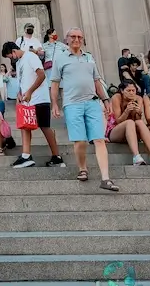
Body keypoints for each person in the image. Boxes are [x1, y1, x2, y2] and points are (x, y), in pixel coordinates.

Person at [50, 28, 119, 191]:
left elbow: (96, 81)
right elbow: (54, 83)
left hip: (92, 102)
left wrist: (106, 99)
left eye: (79, 37)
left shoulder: (89, 58)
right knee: (80, 141)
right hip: (72, 103)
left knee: (99, 139)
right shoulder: (60, 59)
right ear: (66, 39)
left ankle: (105, 178)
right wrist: (54, 103)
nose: (76, 39)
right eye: (73, 36)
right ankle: (82, 168)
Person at [3, 41, 64, 168]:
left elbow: (41, 75)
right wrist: (20, 94)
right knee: (25, 126)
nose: (11, 60)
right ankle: (26, 155)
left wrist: (30, 91)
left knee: (44, 126)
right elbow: (23, 81)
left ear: (14, 51)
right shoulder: (19, 63)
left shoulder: (30, 57)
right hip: (28, 100)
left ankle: (56, 156)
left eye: (10, 57)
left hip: (39, 98)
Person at [108, 82, 150, 165]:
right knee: (129, 122)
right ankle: (136, 156)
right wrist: (126, 111)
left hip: (133, 131)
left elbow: (138, 120)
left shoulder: (138, 98)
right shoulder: (117, 98)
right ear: (122, 90)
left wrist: (138, 112)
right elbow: (118, 121)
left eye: (133, 90)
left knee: (139, 122)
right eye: (128, 90)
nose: (131, 93)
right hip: (116, 131)